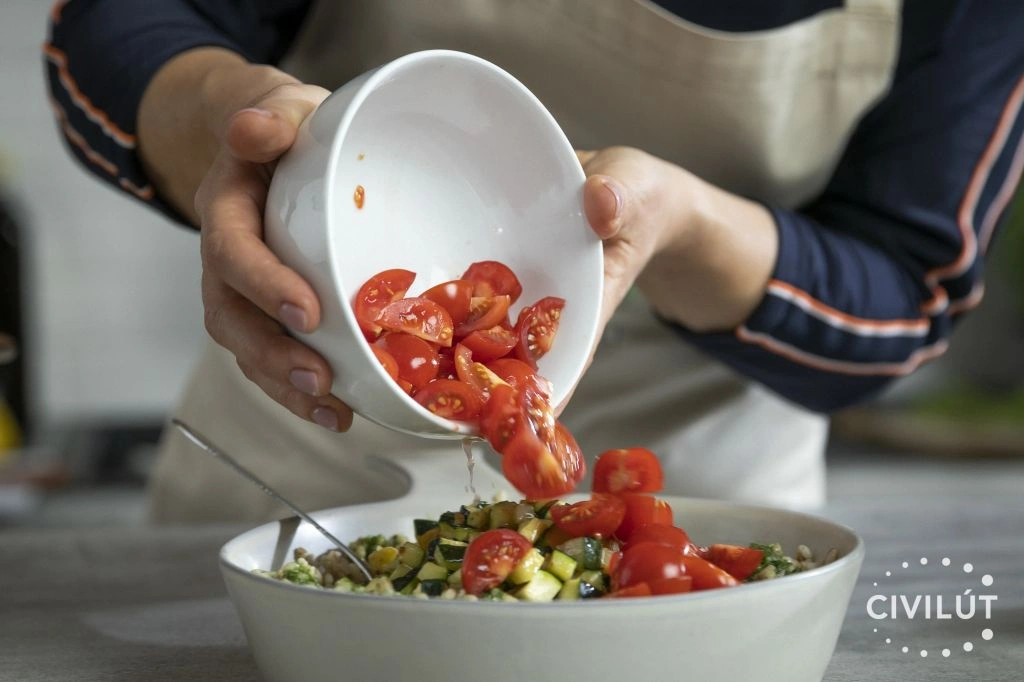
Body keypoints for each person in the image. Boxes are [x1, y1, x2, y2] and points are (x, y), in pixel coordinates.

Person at [44, 0, 1024, 523]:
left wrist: (686, 225)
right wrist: (230, 121)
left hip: (685, 517)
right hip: (292, 470)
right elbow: (114, 20)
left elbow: (906, 288)